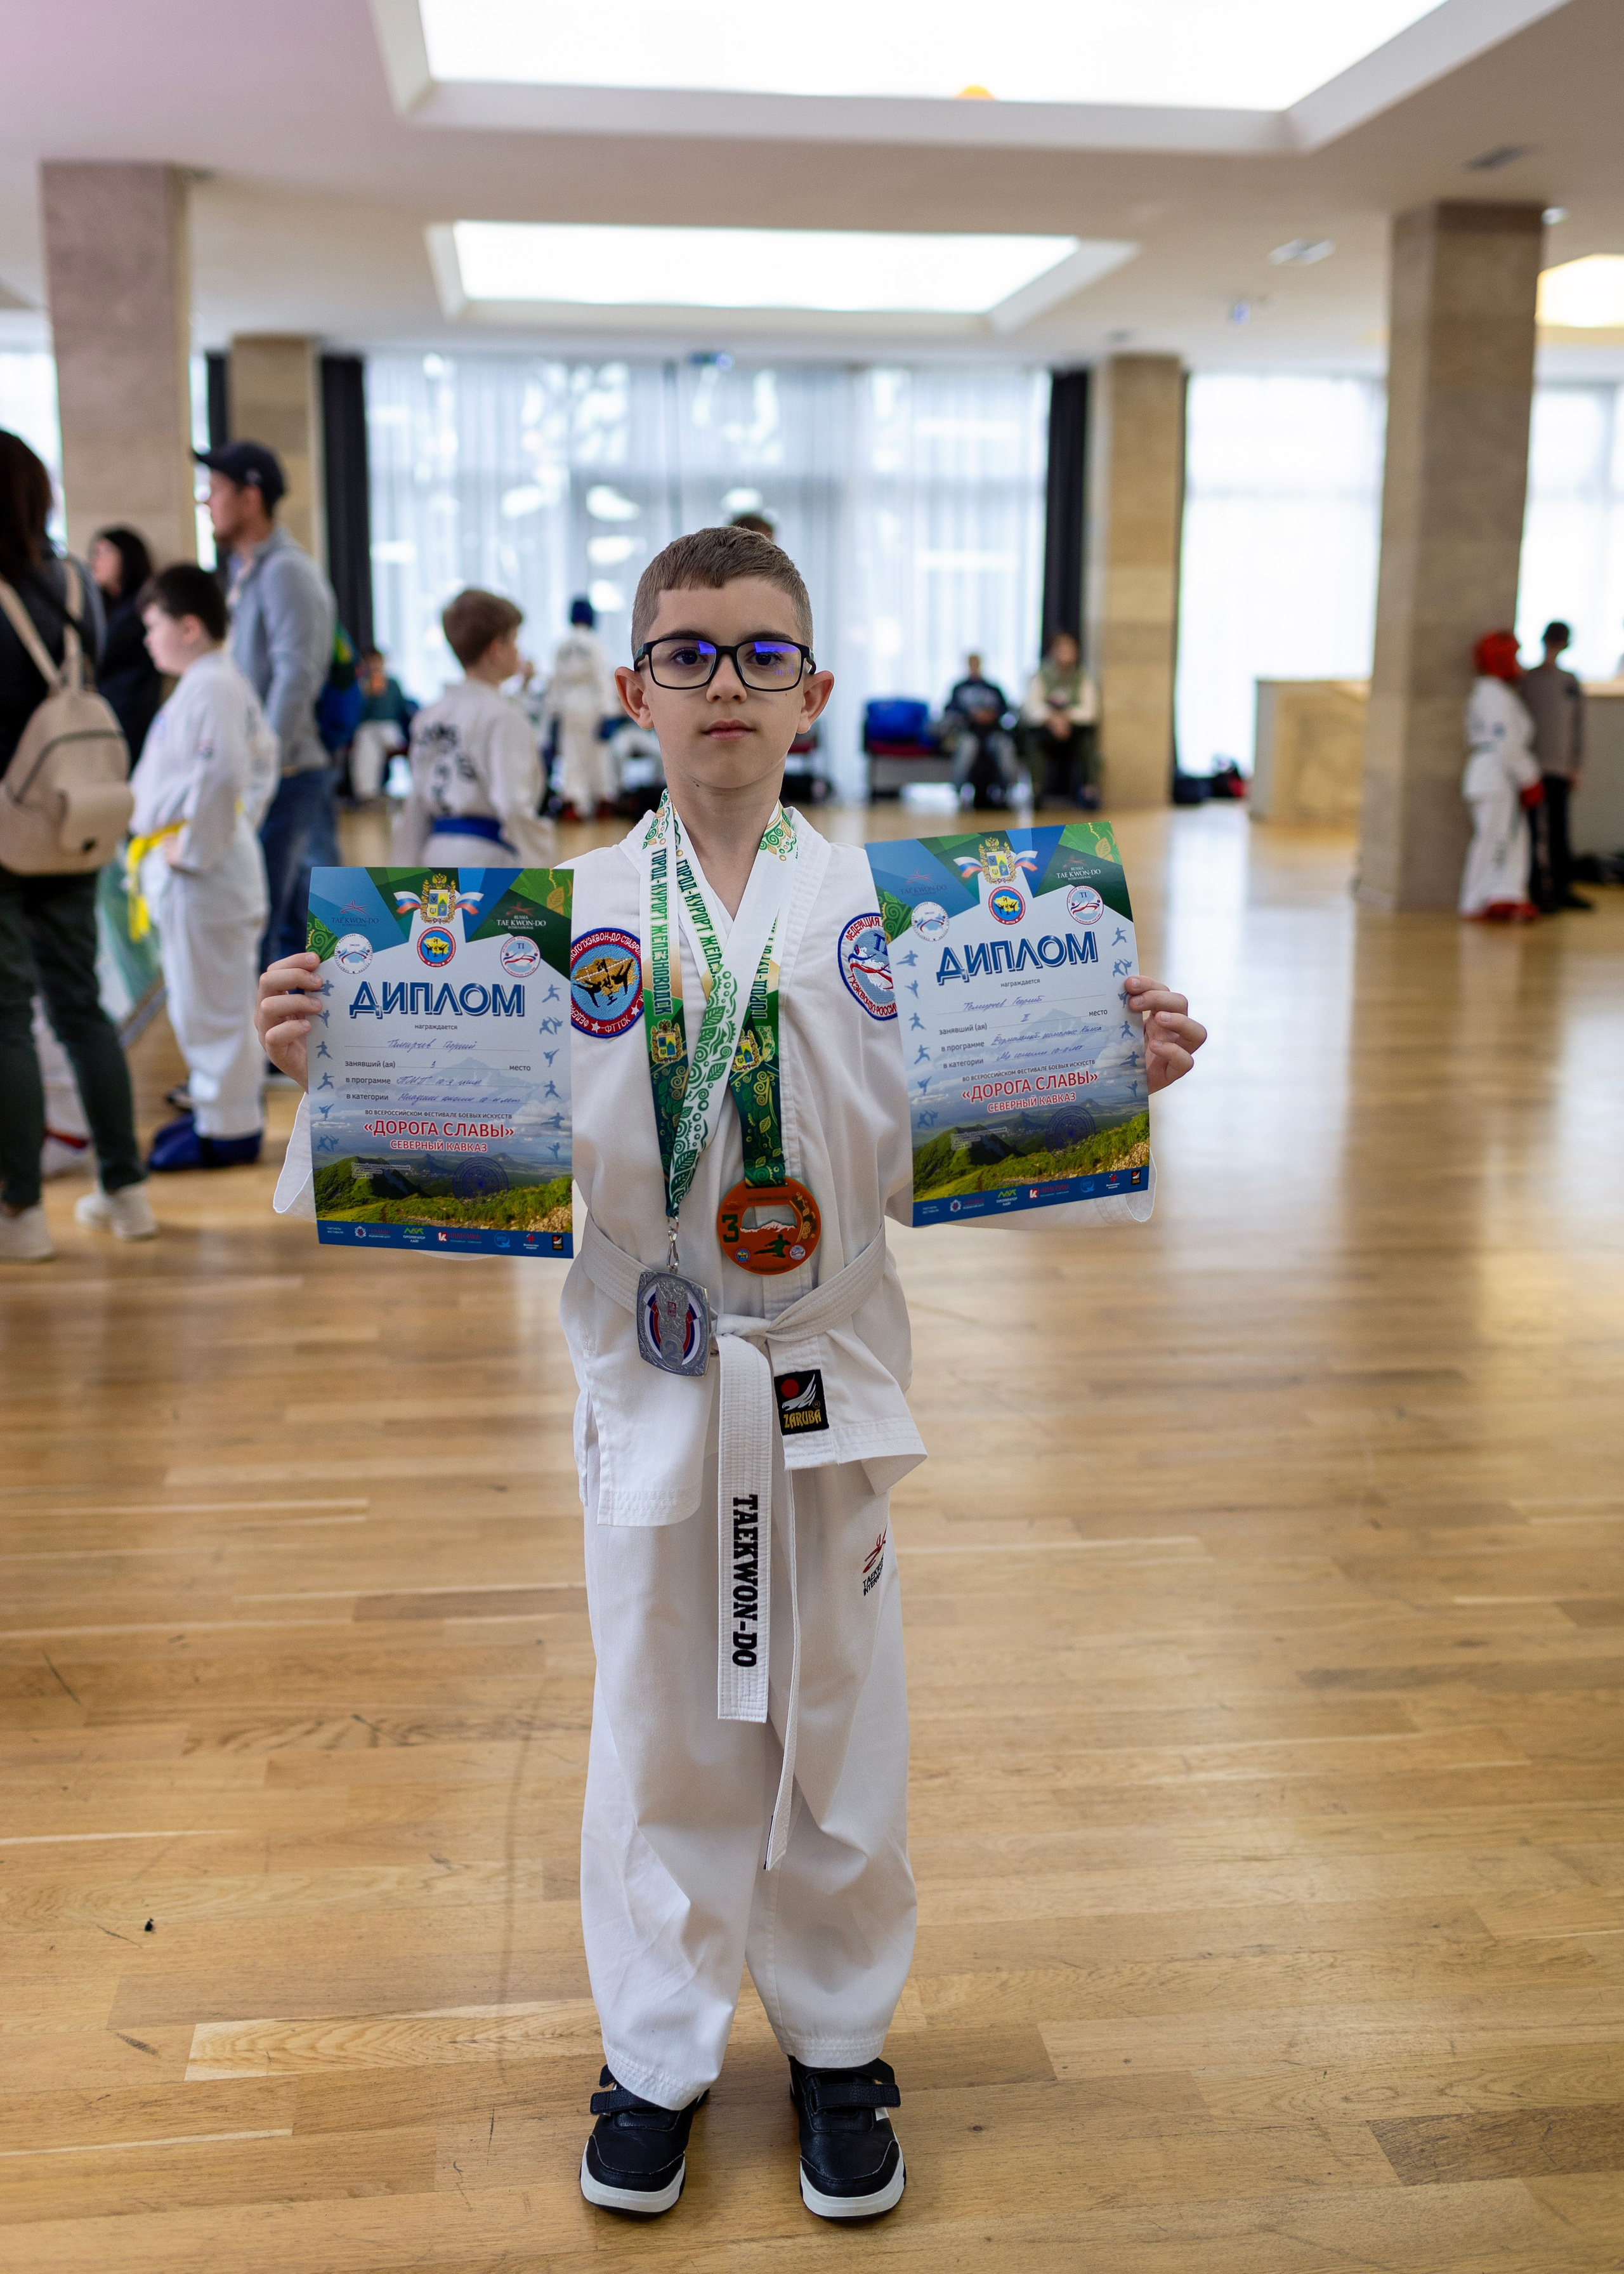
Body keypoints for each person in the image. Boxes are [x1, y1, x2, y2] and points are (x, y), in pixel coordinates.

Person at [256, 523, 1207, 2222]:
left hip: (829, 1360)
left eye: (762, 654)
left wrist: (1097, 1067)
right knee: (658, 1715)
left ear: (814, 690)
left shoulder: (887, 915)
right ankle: (660, 2049)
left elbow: (938, 1153)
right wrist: (338, 1057)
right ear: (632, 690)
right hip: (652, 1363)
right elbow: (485, 1145)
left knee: (841, 1712)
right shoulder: (562, 920)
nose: (725, 685)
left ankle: (841, 2036)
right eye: (688, 652)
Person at [0, 430, 154, 1260]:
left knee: (6, 1021)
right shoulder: (71, 582)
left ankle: (20, 1214)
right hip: (75, 815)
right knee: (82, 1008)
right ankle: (124, 1190)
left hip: (5, 825)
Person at [130, 563, 280, 1171]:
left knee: (212, 1005)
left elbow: (227, 775)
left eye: (153, 625)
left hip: (203, 872)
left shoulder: (213, 686)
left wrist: (195, 847)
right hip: (206, 864)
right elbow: (261, 766)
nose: (147, 639)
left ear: (189, 627)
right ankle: (218, 1114)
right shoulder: (210, 682)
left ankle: (229, 1130)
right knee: (205, 1001)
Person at [195, 440, 336, 970]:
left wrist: (264, 765)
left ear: (250, 497)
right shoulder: (246, 571)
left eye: (214, 491)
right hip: (277, 771)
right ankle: (280, 1052)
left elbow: (297, 674)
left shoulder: (285, 572)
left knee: (282, 926)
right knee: (287, 923)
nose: (205, 502)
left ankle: (277, 1052)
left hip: (290, 772)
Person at [394, 588, 557, 867]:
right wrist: (543, 864)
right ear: (497, 649)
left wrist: (402, 870)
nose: (519, 651)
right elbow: (513, 804)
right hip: (490, 859)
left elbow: (417, 805)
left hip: (434, 852)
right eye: (515, 641)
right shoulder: (505, 717)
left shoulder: (429, 717)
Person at [1460, 628, 1541, 923]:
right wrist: (1529, 777)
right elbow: (1505, 743)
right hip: (1494, 774)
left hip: (1497, 775)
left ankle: (1502, 895)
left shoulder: (1495, 694)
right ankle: (1478, 899)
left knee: (1506, 839)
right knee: (1493, 840)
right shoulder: (1492, 696)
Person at [1520, 619, 1590, 912]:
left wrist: (1576, 765)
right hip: (1533, 767)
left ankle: (1563, 887)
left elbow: (1578, 727)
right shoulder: (1528, 680)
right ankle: (1536, 889)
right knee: (1534, 831)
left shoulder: (1570, 682)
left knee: (1561, 830)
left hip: (1560, 768)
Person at [88, 525, 162, 763]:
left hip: (130, 718)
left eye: (105, 552)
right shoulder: (107, 607)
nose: (95, 561)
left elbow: (98, 654)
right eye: (94, 553)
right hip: (109, 716)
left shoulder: (138, 609)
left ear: (127, 558)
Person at [546, 596, 619, 819]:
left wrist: (554, 715)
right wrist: (609, 713)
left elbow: (556, 684)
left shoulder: (562, 647)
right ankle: (603, 800)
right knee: (598, 754)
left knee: (572, 755)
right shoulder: (595, 644)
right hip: (592, 704)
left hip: (568, 705)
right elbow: (602, 680)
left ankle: (573, 803)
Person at [1021, 629, 1098, 807]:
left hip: (1073, 731)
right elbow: (1031, 708)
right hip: (1046, 730)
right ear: (1054, 652)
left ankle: (1089, 792)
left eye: (1070, 649)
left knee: (1088, 742)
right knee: (1034, 740)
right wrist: (1053, 719)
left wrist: (1066, 718)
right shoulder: (1041, 675)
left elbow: (1090, 711)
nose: (1067, 654)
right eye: (1062, 649)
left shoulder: (1082, 677)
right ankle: (1037, 792)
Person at [945, 650, 1014, 810]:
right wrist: (972, 715)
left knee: (1005, 748)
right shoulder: (959, 688)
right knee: (967, 748)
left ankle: (1007, 792)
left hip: (993, 732)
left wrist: (991, 715)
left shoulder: (993, 688)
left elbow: (1005, 709)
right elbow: (951, 711)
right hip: (969, 732)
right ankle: (958, 793)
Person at [350, 647, 416, 801]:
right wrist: (366, 695)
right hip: (368, 729)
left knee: (378, 737)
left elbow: (403, 709)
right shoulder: (360, 685)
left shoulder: (393, 684)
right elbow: (356, 714)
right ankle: (367, 794)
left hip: (390, 729)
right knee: (367, 743)